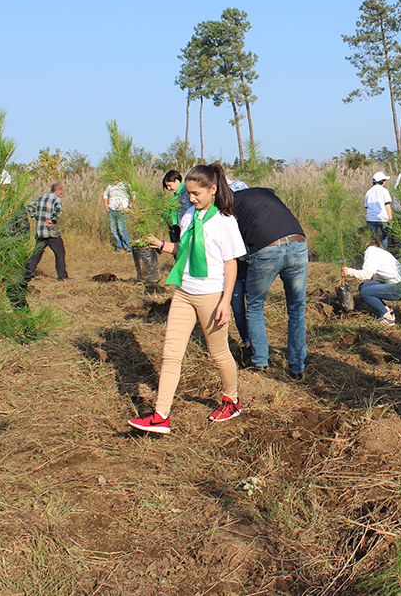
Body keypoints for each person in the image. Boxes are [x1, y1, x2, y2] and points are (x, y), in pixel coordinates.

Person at [128, 164, 245, 434]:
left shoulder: (225, 222)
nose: (191, 198)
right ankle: (160, 415)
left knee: (218, 353)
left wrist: (226, 301)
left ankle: (232, 399)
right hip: (184, 292)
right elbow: (185, 248)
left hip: (211, 295)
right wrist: (159, 244)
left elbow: (231, 265)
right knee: (170, 354)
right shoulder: (189, 216)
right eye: (189, 194)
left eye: (196, 193)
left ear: (213, 190)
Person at [230, 187, 309, 378]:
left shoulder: (227, 207)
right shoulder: (262, 192)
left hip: (267, 250)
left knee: (255, 306)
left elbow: (237, 247)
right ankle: (297, 368)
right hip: (298, 243)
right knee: (297, 308)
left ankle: (260, 362)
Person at [342, 227, 401, 326]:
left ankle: (387, 317)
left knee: (365, 292)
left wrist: (349, 271)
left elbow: (367, 275)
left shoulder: (371, 251)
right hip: (398, 282)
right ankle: (387, 309)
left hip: (400, 288)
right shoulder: (376, 249)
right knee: (363, 286)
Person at [25, 182, 69, 281]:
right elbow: (59, 211)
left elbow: (29, 206)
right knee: (60, 252)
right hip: (50, 231)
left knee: (36, 254)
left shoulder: (41, 197)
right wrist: (53, 220)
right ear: (58, 190)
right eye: (61, 190)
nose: (62, 192)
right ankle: (62, 276)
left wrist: (35, 217)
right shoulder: (56, 199)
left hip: (39, 231)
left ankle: (26, 274)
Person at [364, 170, 393, 250]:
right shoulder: (384, 191)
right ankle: (384, 253)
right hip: (382, 218)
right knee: (385, 237)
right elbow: (387, 205)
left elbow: (366, 206)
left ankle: (373, 254)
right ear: (382, 181)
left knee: (373, 239)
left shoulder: (368, 192)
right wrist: (390, 217)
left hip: (370, 218)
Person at [102, 180, 134, 252]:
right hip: (112, 210)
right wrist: (106, 205)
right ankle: (119, 247)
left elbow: (133, 195)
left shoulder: (125, 185)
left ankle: (128, 247)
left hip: (122, 210)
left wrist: (129, 206)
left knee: (122, 230)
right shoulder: (110, 185)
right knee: (114, 230)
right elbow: (105, 195)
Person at [163, 170, 192, 244]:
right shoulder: (176, 195)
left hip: (185, 226)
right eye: (167, 186)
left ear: (176, 181)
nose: (168, 188)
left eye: (169, 185)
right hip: (175, 227)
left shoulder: (187, 192)